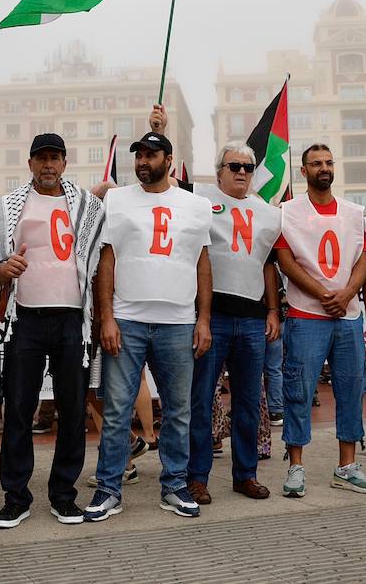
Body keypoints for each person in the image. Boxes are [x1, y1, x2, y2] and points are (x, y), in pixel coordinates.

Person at [85, 131, 212, 522]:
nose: (143, 161)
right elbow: (107, 260)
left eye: (151, 154)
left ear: (168, 160)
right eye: (139, 154)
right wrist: (108, 317)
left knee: (178, 411)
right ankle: (109, 489)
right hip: (128, 318)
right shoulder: (117, 199)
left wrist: (204, 318)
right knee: (117, 409)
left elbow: (203, 263)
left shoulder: (196, 205)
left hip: (178, 320)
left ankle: (174, 485)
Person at [0, 133, 104, 527]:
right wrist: (3, 269)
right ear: (30, 164)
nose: (48, 165)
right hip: (26, 318)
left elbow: (100, 255)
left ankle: (63, 495)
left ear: (65, 163)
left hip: (72, 318)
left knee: (72, 411)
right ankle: (16, 497)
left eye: (55, 158)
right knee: (19, 410)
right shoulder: (9, 205)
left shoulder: (86, 205)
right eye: (41, 159)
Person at [275, 144, 366, 497]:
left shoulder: (353, 212)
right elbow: (286, 261)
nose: (324, 167)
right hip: (307, 315)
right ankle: (296, 466)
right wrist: (323, 294)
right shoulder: (288, 211)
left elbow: (363, 259)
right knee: (299, 390)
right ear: (303, 171)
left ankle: (347, 466)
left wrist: (347, 294)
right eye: (316, 163)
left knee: (351, 390)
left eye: (329, 162)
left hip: (347, 316)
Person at [185, 140, 282, 504]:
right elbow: (160, 181)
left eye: (247, 167)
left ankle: (245, 474)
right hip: (212, 316)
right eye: (234, 166)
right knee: (200, 399)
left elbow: (269, 264)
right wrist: (157, 129)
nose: (242, 172)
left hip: (253, 319)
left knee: (248, 402)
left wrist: (273, 311)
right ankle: (197, 477)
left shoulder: (269, 213)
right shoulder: (198, 199)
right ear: (219, 172)